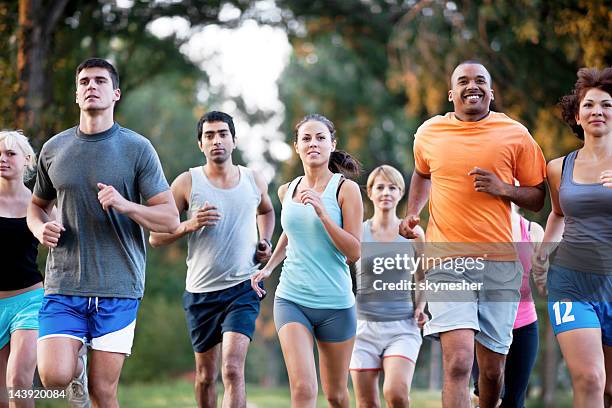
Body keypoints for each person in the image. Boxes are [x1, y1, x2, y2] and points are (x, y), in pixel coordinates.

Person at [27, 58, 179, 408]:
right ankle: (75, 353)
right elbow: (36, 206)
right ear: (77, 94)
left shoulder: (137, 148)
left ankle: (81, 353)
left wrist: (126, 205)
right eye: (84, 82)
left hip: (118, 286)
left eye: (99, 81)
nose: (90, 86)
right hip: (64, 284)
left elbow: (169, 219)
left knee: (103, 392)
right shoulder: (54, 149)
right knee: (54, 376)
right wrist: (40, 228)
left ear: (116, 93)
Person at [399, 61, 547, 408]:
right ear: (451, 93)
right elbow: (422, 173)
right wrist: (412, 212)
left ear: (491, 93)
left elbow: (538, 196)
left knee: (493, 373)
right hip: (447, 261)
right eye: (463, 81)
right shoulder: (429, 132)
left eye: (480, 81)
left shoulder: (515, 134)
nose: (472, 86)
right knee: (459, 362)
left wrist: (503, 190)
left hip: (500, 265)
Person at [149, 111, 275, 408]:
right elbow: (156, 236)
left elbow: (267, 212)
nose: (216, 140)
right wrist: (189, 224)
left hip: (242, 288)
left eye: (222, 134)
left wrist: (265, 241)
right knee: (206, 376)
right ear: (200, 144)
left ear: (234, 141)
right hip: (201, 293)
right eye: (209, 135)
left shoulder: (253, 179)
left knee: (232, 370)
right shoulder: (186, 183)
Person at [250, 114, 363, 407]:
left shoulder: (345, 190)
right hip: (292, 299)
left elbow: (354, 252)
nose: (314, 143)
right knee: (303, 389)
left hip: (335, 304)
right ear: (297, 147)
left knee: (337, 395)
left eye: (321, 138)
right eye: (307, 138)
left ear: (332, 144)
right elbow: (290, 234)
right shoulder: (287, 190)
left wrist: (323, 214)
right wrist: (269, 268)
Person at [532, 67, 612, 408]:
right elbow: (559, 213)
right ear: (577, 116)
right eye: (589, 105)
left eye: (607, 105)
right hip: (572, 283)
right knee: (590, 379)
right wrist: (543, 252)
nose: (598, 111)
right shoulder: (557, 167)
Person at [349, 165, 427, 408]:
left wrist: (420, 307)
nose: (386, 193)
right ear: (370, 193)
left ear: (401, 193)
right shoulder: (357, 232)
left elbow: (422, 278)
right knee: (366, 403)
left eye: (392, 187)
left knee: (396, 393)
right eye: (380, 187)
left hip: (402, 327)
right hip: (362, 329)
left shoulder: (414, 234)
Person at [472, 203, 543, 408]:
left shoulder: (532, 230)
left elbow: (542, 275)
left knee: (513, 401)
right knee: (487, 393)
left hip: (524, 323)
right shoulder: (478, 226)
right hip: (485, 322)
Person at [0, 131, 45, 408]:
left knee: (18, 381)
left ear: (27, 159)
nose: (2, 159)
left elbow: (65, 240)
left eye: (10, 153)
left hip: (29, 301)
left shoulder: (38, 204)